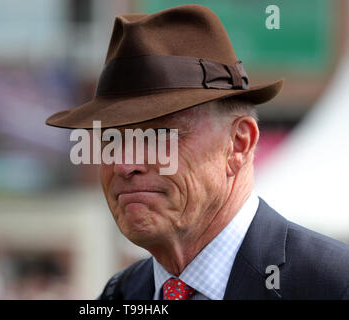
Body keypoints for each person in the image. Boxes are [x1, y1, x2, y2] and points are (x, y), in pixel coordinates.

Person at [45, 4, 349, 300]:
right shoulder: (119, 293)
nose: (124, 164)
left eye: (159, 136)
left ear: (238, 144)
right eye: (110, 141)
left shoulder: (334, 284)